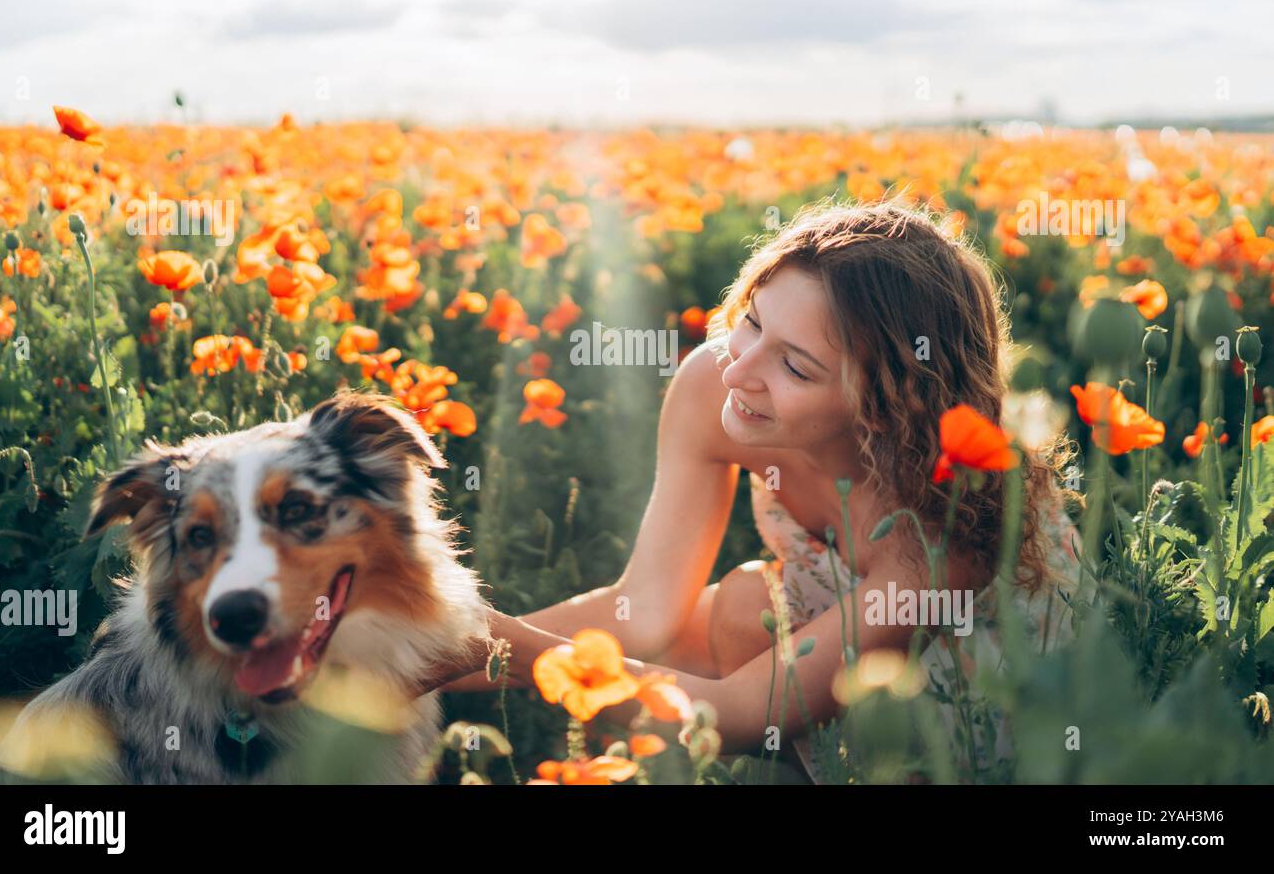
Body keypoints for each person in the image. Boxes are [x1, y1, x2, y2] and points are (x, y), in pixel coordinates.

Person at [435, 198, 1085, 783]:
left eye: (795, 365)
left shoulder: (958, 506)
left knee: (740, 623)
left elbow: (747, 711)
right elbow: (646, 605)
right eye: (751, 321)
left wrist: (501, 644)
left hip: (977, 693)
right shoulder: (713, 379)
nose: (739, 369)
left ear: (884, 404)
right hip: (834, 620)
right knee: (729, 612)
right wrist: (421, 652)